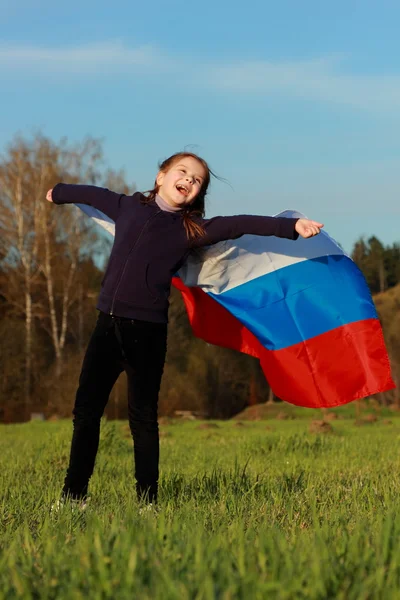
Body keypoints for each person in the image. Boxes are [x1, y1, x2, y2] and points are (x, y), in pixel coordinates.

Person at [47, 151, 323, 510]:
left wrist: (291, 228)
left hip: (147, 334)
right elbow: (92, 193)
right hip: (106, 326)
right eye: (183, 172)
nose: (189, 181)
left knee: (143, 419)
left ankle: (148, 503)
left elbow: (240, 223)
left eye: (197, 181)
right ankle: (73, 497)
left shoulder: (192, 231)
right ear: (161, 176)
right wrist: (59, 191)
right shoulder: (127, 207)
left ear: (197, 194)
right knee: (86, 413)